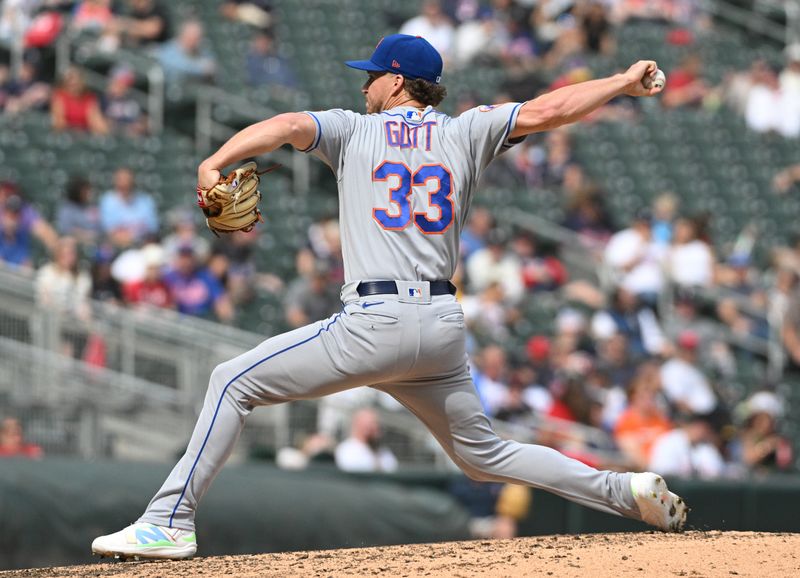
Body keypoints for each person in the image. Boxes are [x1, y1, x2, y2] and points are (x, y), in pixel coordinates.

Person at [92, 34, 686, 560]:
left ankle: (169, 520)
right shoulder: (464, 131)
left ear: (397, 80)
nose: (366, 84)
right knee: (483, 455)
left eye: (372, 75)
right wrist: (621, 82)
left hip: (375, 321)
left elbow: (285, 127)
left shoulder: (353, 129)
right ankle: (622, 491)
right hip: (441, 325)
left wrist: (216, 159)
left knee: (231, 381)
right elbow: (550, 109)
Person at [334, 408, 398, 473]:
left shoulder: (383, 451)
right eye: (371, 423)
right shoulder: (347, 449)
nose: (376, 427)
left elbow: (393, 469)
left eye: (377, 423)